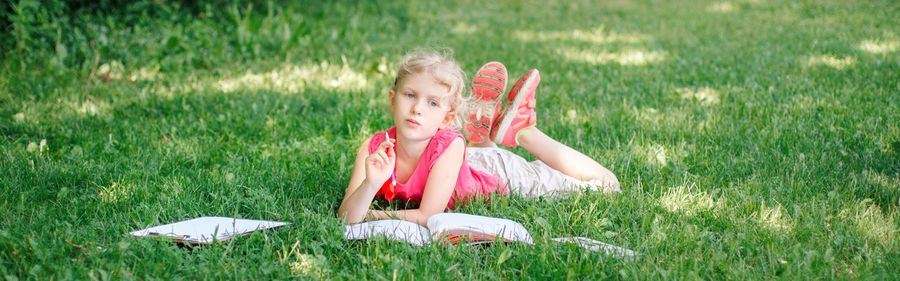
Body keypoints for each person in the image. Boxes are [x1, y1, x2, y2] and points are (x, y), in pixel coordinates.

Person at [337, 50, 620, 226]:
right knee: (471, 157)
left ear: (448, 118)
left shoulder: (449, 143)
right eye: (410, 95)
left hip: (496, 172)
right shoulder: (373, 148)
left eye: (433, 103)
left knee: (607, 185)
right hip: (464, 164)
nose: (417, 108)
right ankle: (483, 140)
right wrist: (371, 184)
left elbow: (426, 216)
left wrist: (368, 216)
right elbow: (345, 215)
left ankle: (523, 131)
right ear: (392, 99)